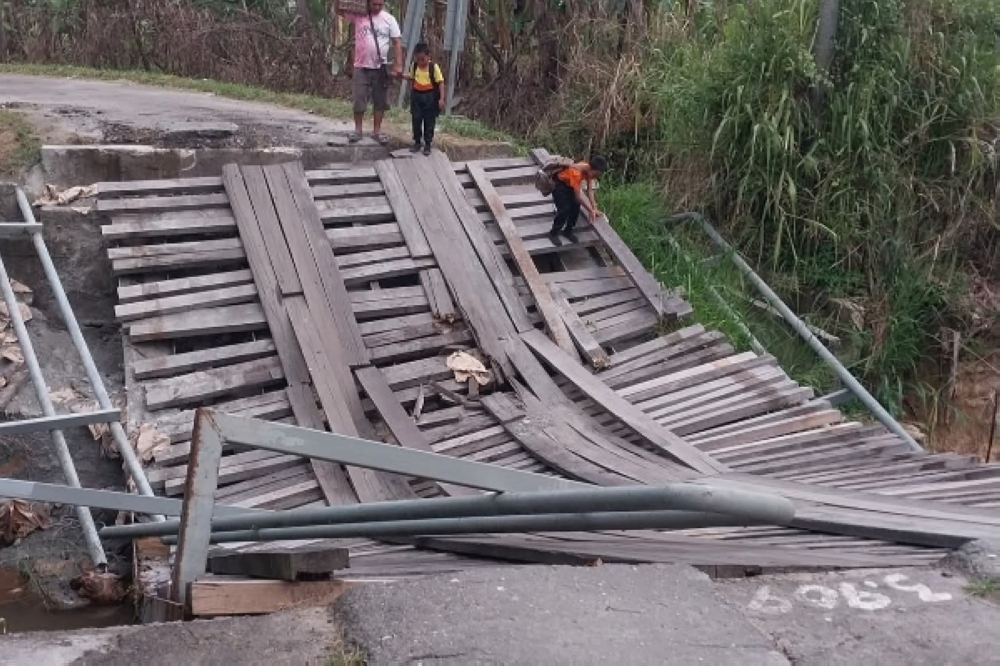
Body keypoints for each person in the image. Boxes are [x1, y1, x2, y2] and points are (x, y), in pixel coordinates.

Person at [334, 0, 402, 145]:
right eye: (374, 4)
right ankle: (358, 131)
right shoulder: (359, 16)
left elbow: (397, 43)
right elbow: (339, 11)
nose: (377, 7)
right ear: (368, 3)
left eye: (380, 5)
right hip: (361, 66)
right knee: (359, 99)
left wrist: (398, 65)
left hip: (380, 67)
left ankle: (376, 132)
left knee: (380, 101)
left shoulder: (389, 19)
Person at [550, 155, 607, 243]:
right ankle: (554, 232)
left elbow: (590, 190)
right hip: (559, 185)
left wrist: (594, 208)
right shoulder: (576, 172)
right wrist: (590, 210)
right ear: (591, 169)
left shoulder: (587, 169)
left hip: (570, 186)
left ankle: (568, 231)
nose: (595, 177)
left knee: (576, 207)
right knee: (564, 209)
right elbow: (578, 196)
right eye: (596, 174)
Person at [403, 42, 445, 155]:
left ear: (428, 56)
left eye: (422, 59)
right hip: (417, 96)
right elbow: (411, 77)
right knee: (416, 119)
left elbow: (440, 82)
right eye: (418, 59)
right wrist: (401, 75)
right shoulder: (415, 66)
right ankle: (417, 142)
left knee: (429, 120)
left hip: (430, 97)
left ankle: (427, 143)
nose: (420, 62)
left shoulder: (433, 67)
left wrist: (441, 99)